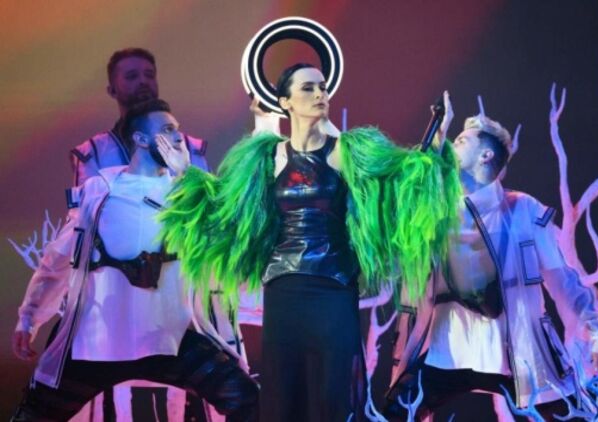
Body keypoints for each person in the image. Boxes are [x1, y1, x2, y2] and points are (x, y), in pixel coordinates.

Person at [159, 63, 462, 421]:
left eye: (323, 87)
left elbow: (404, 183)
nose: (320, 94)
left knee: (333, 392)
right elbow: (224, 210)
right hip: (284, 291)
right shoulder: (265, 157)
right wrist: (184, 173)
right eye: (308, 88)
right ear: (285, 102)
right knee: (285, 392)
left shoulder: (348, 151)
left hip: (333, 289)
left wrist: (438, 137)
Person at [11, 99, 259, 422]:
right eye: (167, 129)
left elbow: (223, 240)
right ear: (141, 139)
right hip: (98, 343)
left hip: (168, 339)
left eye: (178, 129)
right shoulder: (99, 192)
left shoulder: (187, 192)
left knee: (246, 400)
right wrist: (29, 317)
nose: (178, 136)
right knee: (35, 413)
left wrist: (188, 178)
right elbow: (59, 258)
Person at [383, 96, 598, 421]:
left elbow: (563, 280)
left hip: (517, 354)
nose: (450, 146)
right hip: (445, 354)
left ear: (486, 155)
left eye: (460, 141)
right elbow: (407, 196)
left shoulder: (523, 210)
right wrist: (436, 136)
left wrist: (597, 332)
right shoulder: (435, 213)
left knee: (574, 415)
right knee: (395, 413)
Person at [69, 48, 209, 186]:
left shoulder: (189, 146)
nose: (143, 81)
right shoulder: (93, 152)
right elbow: (87, 201)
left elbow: (209, 197)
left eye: (149, 75)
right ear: (112, 90)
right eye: (132, 76)